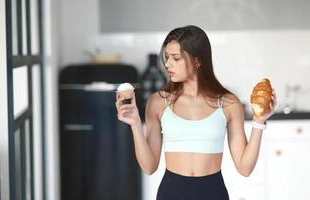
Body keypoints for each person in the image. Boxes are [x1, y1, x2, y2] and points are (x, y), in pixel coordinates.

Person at [115, 25, 277, 200]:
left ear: (197, 60)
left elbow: (245, 168)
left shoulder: (228, 103)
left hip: (213, 193)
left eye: (176, 58)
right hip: (171, 193)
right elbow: (149, 167)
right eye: (167, 57)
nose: (168, 64)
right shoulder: (158, 102)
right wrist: (135, 125)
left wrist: (259, 121)